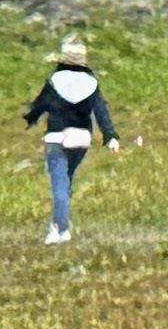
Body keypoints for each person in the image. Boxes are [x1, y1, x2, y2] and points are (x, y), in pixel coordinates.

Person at [20, 35, 114, 245]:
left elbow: (40, 105)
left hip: (57, 138)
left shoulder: (55, 80)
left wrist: (30, 119)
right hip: (81, 139)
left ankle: (60, 229)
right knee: (67, 180)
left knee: (59, 185)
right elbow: (101, 111)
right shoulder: (91, 83)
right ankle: (60, 221)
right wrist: (110, 136)